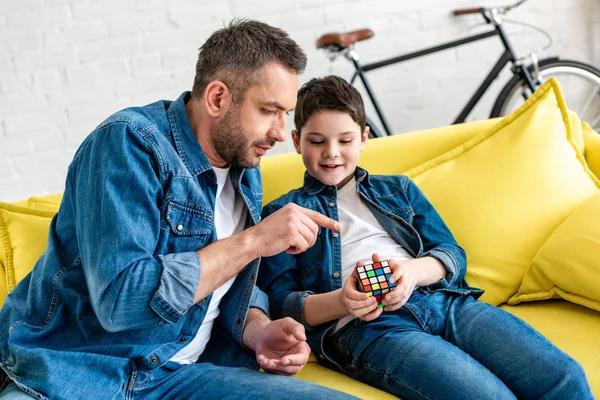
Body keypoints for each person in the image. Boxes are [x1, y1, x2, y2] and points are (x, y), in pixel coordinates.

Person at [0, 20, 357, 400]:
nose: (280, 132)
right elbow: (120, 301)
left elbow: (227, 279)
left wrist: (256, 329)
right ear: (218, 98)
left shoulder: (244, 167)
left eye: (285, 113)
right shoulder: (128, 144)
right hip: (83, 374)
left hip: (179, 377)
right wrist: (254, 240)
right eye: (269, 111)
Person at [258, 75, 594, 399]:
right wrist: (344, 301)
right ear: (297, 140)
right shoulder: (284, 211)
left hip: (444, 301)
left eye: (345, 140)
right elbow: (281, 303)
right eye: (317, 141)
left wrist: (412, 273)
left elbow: (451, 254)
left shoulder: (398, 190)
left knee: (564, 377)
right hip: (369, 329)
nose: (331, 152)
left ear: (363, 138)